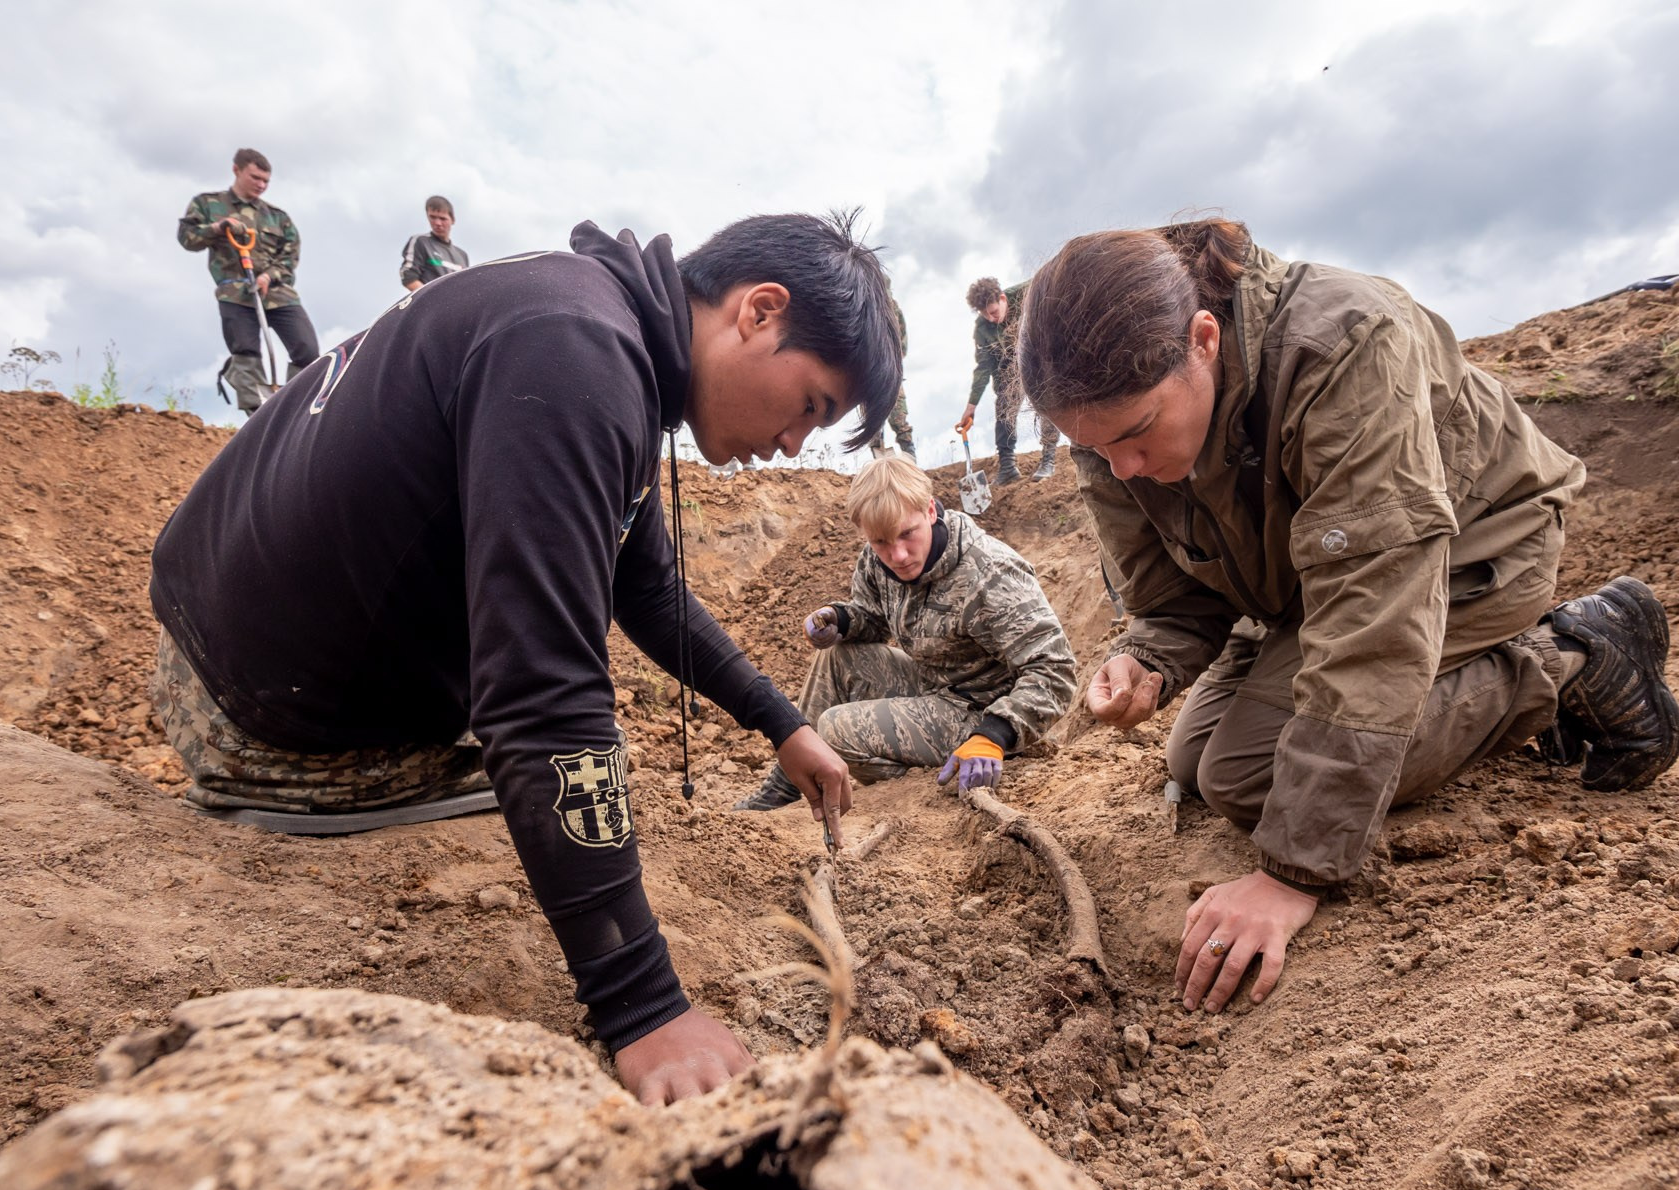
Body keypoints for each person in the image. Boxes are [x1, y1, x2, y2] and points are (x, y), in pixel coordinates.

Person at [149, 211, 903, 1105]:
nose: (791, 444)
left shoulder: (592, 321)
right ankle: (278, 783)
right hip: (263, 708)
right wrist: (644, 1006)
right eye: (810, 405)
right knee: (568, 776)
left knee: (571, 782)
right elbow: (541, 692)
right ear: (758, 312)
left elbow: (647, 587)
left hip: (226, 635)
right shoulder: (577, 351)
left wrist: (783, 724)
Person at [1017, 220, 1679, 1017]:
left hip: (1471, 544)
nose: (1123, 468)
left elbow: (1374, 612)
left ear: (1202, 340)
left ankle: (1573, 652)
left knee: (1249, 776)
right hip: (1312, 581)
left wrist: (1292, 872)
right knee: (1197, 758)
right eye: (1093, 449)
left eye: (1135, 436)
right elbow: (1175, 598)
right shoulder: (1111, 422)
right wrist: (1147, 658)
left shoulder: (1344, 345)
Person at [735, 453, 1076, 809]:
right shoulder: (877, 560)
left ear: (930, 511)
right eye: (880, 542)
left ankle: (931, 787)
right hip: (937, 687)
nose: (897, 555)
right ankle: (786, 784)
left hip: (986, 713)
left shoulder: (990, 574)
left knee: (835, 729)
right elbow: (875, 618)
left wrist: (995, 734)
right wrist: (842, 620)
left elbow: (1054, 670)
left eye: (907, 534)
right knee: (836, 656)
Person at [177, 148, 320, 415]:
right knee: (246, 352)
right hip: (234, 292)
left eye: (266, 181)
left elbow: (290, 256)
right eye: (255, 177)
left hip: (278, 293)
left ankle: (296, 408)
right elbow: (187, 238)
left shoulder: (277, 217)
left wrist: (269, 276)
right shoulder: (208, 204)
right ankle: (258, 416)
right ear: (236, 170)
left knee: (307, 349)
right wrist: (218, 228)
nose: (261, 185)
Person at [955, 276, 1061, 484]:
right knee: (1004, 408)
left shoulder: (1028, 293)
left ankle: (1048, 459)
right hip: (1007, 369)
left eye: (994, 312)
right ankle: (1007, 467)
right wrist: (971, 406)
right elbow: (983, 368)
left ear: (1002, 298)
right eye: (985, 314)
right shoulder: (982, 329)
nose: (992, 318)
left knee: (1045, 400)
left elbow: (1055, 278)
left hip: (1037, 357)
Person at [872, 296, 916, 457]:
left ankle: (911, 463)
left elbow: (902, 339)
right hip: (869, 373)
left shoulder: (893, 306)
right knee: (873, 423)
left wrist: (894, 359)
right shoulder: (861, 303)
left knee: (899, 419)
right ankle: (880, 464)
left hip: (890, 371)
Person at [401, 195, 470, 290]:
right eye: (433, 217)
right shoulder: (420, 242)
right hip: (431, 302)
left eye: (442, 218)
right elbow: (408, 277)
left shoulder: (462, 255)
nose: (437, 223)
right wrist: (432, 299)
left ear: (452, 220)